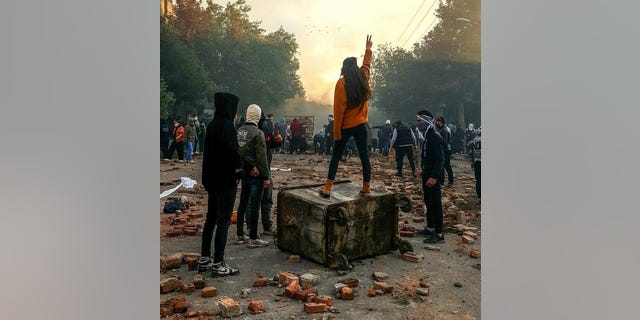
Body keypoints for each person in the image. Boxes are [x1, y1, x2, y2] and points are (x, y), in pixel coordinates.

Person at [319, 35, 373, 197]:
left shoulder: (341, 83)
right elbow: (366, 66)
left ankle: (328, 187)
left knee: (336, 156)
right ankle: (366, 187)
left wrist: (337, 134)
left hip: (346, 126)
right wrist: (368, 49)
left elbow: (338, 110)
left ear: (343, 68)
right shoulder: (362, 78)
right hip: (361, 125)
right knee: (364, 156)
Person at [198, 92, 242, 277]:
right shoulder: (228, 127)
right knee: (224, 221)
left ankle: (205, 259)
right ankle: (219, 263)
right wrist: (239, 170)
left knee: (211, 219)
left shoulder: (212, 125)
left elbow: (208, 155)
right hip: (226, 181)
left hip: (212, 180)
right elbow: (231, 153)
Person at [235, 104, 271, 248]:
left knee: (243, 202)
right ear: (258, 115)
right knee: (255, 205)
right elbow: (262, 157)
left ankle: (239, 234)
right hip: (256, 175)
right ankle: (253, 238)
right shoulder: (258, 133)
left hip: (244, 173)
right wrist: (265, 176)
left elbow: (239, 152)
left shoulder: (239, 131)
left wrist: (245, 166)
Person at [414, 110, 446, 244]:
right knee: (428, 201)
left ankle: (438, 233)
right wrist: (424, 171)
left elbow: (440, 159)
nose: (418, 124)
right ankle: (430, 227)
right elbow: (428, 156)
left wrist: (434, 176)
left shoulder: (434, 136)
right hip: (427, 174)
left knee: (436, 203)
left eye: (420, 121)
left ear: (427, 121)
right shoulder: (426, 136)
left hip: (433, 176)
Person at [258, 111, 282, 236]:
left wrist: (278, 141)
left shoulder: (265, 129)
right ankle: (252, 231)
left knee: (266, 199)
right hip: (258, 169)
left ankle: (266, 226)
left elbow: (269, 144)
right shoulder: (253, 131)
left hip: (264, 168)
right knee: (256, 200)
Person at [435, 116, 454, 186]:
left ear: (441, 122)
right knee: (443, 165)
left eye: (438, 121)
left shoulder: (444, 130)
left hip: (445, 150)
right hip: (445, 149)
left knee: (446, 165)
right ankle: (442, 181)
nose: (437, 123)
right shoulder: (442, 129)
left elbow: (444, 142)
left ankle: (449, 181)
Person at [468, 128, 481, 199]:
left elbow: (471, 152)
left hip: (477, 162)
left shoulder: (473, 141)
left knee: (479, 180)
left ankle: (479, 196)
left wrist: (472, 162)